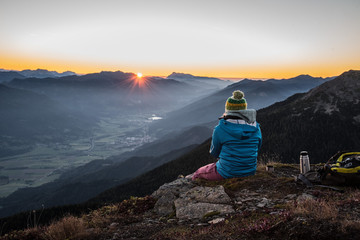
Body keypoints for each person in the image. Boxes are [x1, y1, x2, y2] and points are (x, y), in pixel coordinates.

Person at [191, 90, 262, 181]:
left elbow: (214, 152)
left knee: (197, 173)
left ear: (228, 110)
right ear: (244, 110)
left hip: (226, 173)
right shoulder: (256, 127)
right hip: (250, 171)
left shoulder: (220, 128)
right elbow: (257, 148)